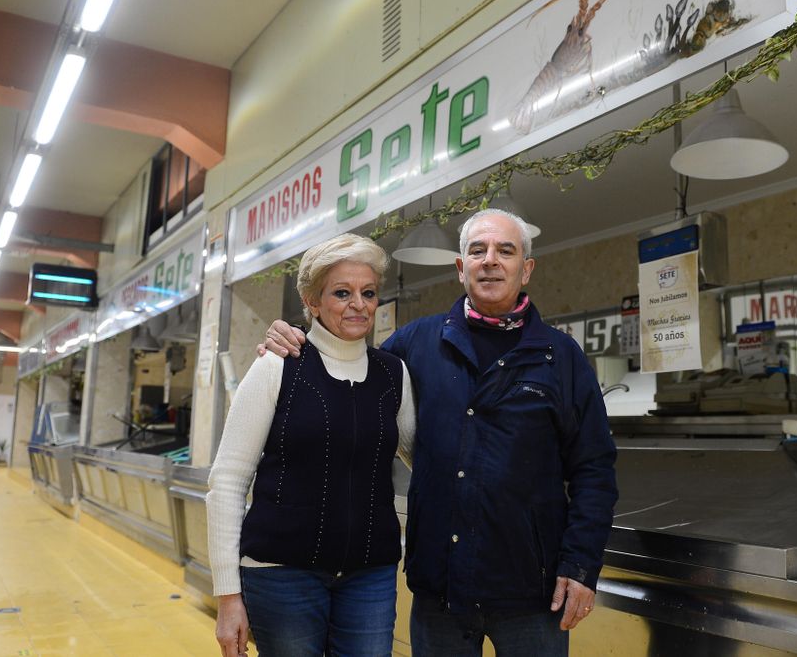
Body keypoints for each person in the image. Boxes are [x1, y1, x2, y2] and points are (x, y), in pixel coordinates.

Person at [261, 209, 618, 656]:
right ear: (460, 267)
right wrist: (293, 338)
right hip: (439, 589)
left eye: (505, 251)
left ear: (526, 269)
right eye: (477, 250)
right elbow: (345, 372)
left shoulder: (560, 357)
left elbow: (594, 470)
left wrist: (581, 565)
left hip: (532, 591)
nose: (490, 260)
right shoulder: (416, 344)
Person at [208, 233, 416, 657]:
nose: (358, 304)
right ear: (312, 300)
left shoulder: (393, 374)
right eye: (342, 292)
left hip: (369, 576)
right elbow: (227, 482)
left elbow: (422, 458)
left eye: (368, 292)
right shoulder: (277, 365)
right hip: (282, 575)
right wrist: (228, 597)